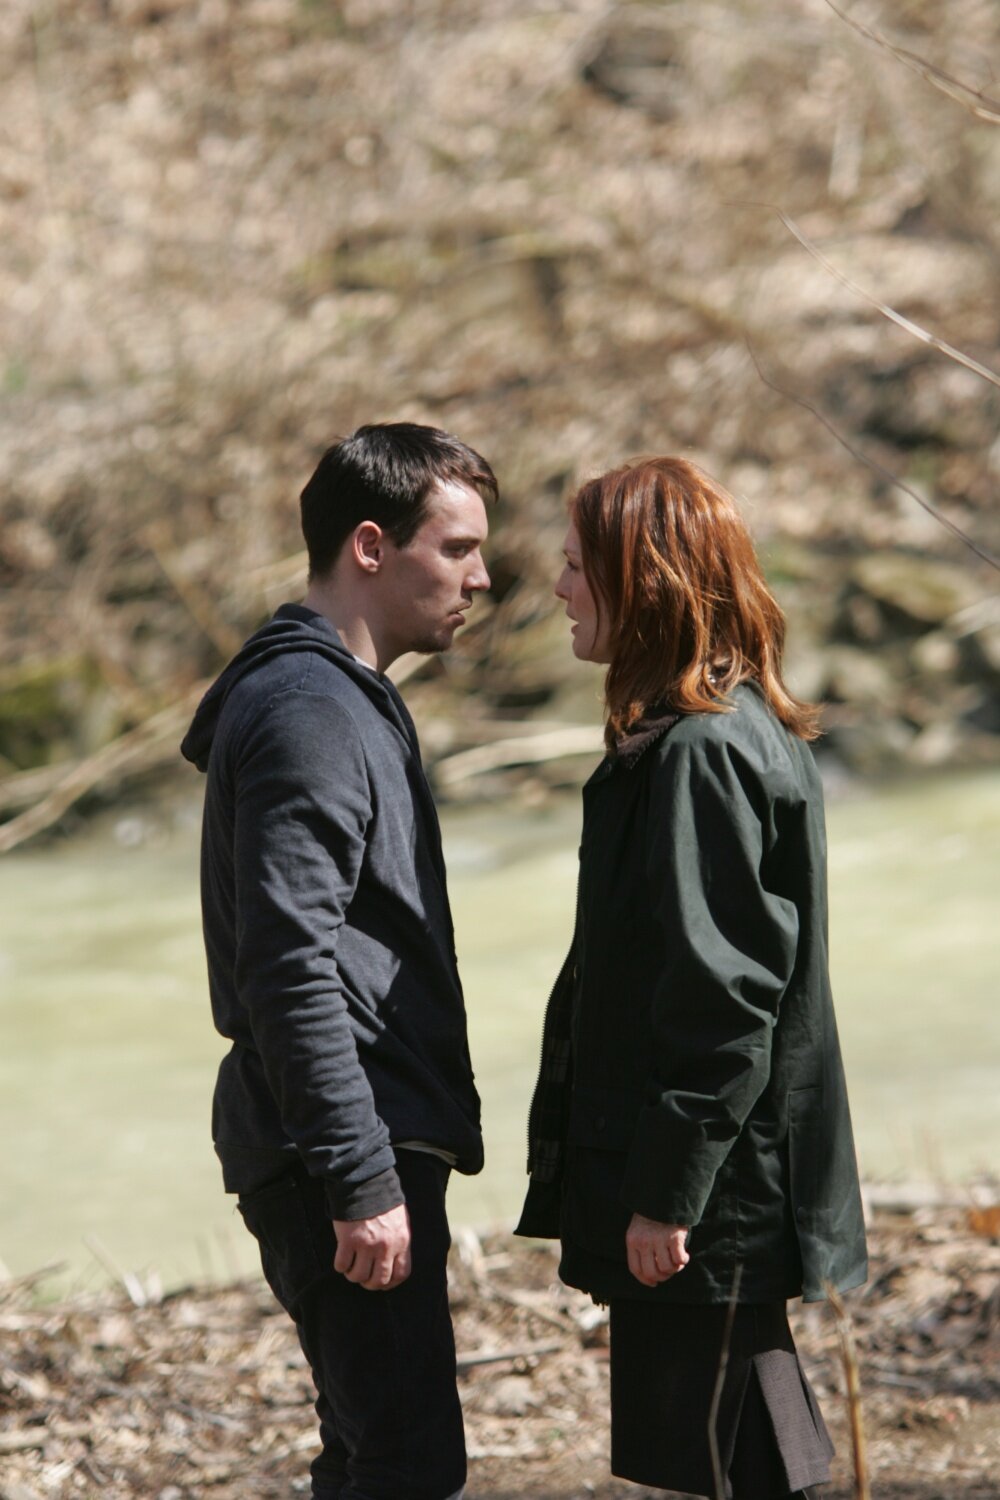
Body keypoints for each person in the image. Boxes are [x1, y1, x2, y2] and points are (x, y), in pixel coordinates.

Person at [516, 456, 868, 1500]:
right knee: (735, 1453)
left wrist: (664, 1196)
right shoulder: (716, 733)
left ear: (644, 581)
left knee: (739, 1461)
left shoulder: (701, 753)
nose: (558, 587)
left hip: (711, 1188)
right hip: (720, 1178)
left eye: (577, 566)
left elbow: (725, 1001)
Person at [181, 422, 497, 1500]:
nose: (481, 578)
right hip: (339, 1148)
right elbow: (287, 967)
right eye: (456, 549)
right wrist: (360, 1175)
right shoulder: (310, 713)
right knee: (406, 1465)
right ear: (370, 546)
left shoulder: (331, 697)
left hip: (345, 1135)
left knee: (373, 1454)